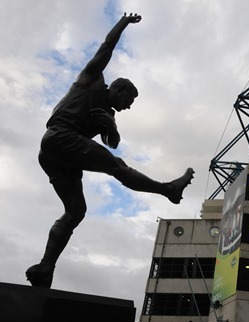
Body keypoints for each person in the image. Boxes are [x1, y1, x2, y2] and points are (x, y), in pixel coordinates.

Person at [26, 13, 194, 288]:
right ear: (118, 89)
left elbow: (111, 142)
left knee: (76, 211)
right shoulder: (90, 80)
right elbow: (107, 46)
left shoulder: (108, 113)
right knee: (118, 167)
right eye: (129, 100)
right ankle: (168, 189)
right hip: (60, 137)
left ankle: (45, 267)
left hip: (55, 156)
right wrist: (124, 23)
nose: (128, 107)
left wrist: (111, 127)